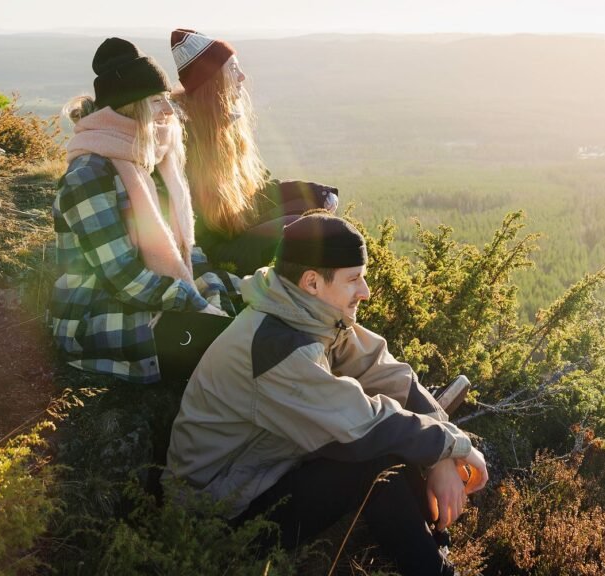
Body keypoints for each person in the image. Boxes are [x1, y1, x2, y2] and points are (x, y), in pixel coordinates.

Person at [164, 213, 488, 576]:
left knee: (405, 436)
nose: (365, 291)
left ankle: (435, 553)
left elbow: (392, 377)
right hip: (216, 516)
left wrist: (444, 451)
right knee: (380, 457)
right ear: (313, 282)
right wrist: (449, 445)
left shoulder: (311, 315)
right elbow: (366, 427)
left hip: (263, 474)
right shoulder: (276, 349)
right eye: (354, 279)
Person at [51, 37, 235, 385]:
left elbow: (186, 252)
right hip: (99, 319)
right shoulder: (88, 175)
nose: (169, 110)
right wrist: (195, 303)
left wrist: (212, 293)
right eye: (156, 101)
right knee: (237, 360)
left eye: (167, 98)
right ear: (128, 108)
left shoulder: (149, 163)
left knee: (260, 320)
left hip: (149, 303)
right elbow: (122, 276)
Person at [169, 28, 340, 275]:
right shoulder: (185, 140)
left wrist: (317, 193)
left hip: (235, 231)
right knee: (305, 226)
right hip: (213, 255)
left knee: (309, 206)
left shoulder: (225, 128)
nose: (242, 77)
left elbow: (255, 192)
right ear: (212, 82)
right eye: (232, 69)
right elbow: (194, 233)